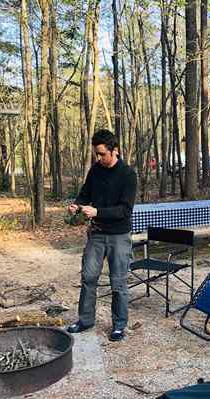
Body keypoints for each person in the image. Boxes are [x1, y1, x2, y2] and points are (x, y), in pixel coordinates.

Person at [66, 129, 137, 341]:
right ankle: (85, 320)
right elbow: (85, 193)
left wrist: (98, 212)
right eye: (97, 154)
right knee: (88, 277)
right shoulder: (96, 171)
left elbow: (125, 210)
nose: (99, 158)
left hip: (119, 236)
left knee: (118, 282)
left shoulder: (128, 174)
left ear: (115, 151)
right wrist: (76, 205)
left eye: (102, 154)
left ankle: (118, 325)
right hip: (96, 234)